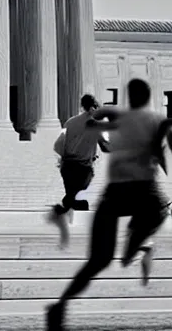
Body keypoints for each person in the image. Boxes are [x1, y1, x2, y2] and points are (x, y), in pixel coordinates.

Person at [46, 78, 172, 331]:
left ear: (130, 98)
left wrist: (92, 121)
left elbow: (99, 124)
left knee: (98, 260)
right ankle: (137, 244)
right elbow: (164, 147)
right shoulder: (152, 120)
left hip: (118, 192)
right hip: (144, 192)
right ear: (147, 98)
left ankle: (61, 304)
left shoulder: (119, 118)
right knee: (156, 214)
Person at [47, 94, 110, 248]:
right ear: (93, 107)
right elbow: (105, 147)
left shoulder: (70, 122)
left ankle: (67, 209)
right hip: (83, 167)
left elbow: (59, 143)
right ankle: (65, 208)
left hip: (67, 166)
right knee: (82, 185)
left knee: (72, 195)